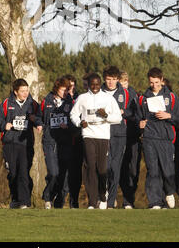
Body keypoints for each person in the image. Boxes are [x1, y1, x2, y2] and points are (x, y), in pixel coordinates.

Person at [70, 72, 121, 209]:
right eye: (92, 84)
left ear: (100, 84)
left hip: (103, 135)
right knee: (90, 166)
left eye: (97, 84)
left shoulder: (108, 98)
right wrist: (80, 123)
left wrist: (106, 116)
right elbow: (73, 114)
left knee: (101, 167)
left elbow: (118, 118)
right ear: (89, 85)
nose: (95, 87)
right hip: (88, 134)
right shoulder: (82, 98)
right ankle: (92, 201)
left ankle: (102, 196)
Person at [136, 67, 179, 209]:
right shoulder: (143, 98)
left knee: (167, 170)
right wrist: (140, 123)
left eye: (156, 82)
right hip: (149, 138)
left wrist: (169, 116)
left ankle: (168, 192)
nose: (154, 85)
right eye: (151, 82)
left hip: (166, 138)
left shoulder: (172, 97)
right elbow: (138, 117)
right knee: (152, 170)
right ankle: (155, 202)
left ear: (162, 80)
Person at [0, 78, 42, 209]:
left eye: (27, 90)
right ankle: (15, 199)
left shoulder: (33, 104)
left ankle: (25, 202)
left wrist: (37, 123)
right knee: (13, 173)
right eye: (22, 91)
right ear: (15, 92)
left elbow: (40, 117)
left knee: (24, 172)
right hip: (10, 143)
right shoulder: (6, 103)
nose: (26, 93)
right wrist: (5, 125)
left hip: (26, 143)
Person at [36, 76, 76, 209]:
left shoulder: (70, 103)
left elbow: (76, 121)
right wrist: (39, 124)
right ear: (56, 88)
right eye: (63, 90)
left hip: (66, 142)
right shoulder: (46, 101)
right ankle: (47, 197)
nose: (65, 93)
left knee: (65, 177)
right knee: (53, 172)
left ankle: (59, 202)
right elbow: (38, 116)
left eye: (67, 90)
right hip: (50, 141)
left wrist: (68, 125)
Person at [101, 66, 135, 209]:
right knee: (105, 167)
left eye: (113, 79)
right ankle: (103, 193)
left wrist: (124, 112)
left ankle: (111, 202)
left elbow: (134, 113)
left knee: (116, 168)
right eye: (108, 79)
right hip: (102, 133)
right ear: (105, 79)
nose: (111, 82)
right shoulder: (99, 93)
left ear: (117, 79)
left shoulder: (125, 93)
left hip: (120, 134)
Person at [163, 78, 179, 207]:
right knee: (162, 169)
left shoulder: (174, 101)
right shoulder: (149, 100)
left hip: (175, 140)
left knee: (176, 169)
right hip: (160, 141)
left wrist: (170, 118)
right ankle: (166, 197)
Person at [119, 71, 142, 209]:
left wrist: (125, 112)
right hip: (118, 136)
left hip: (133, 136)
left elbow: (137, 114)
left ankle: (130, 197)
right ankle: (125, 199)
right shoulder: (114, 96)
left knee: (133, 169)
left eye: (125, 82)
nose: (123, 85)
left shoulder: (135, 96)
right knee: (120, 168)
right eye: (120, 83)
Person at [63, 74, 83, 208]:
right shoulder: (60, 100)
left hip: (79, 140)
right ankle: (60, 200)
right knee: (64, 172)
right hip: (64, 141)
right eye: (68, 86)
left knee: (77, 172)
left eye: (72, 85)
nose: (71, 88)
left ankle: (74, 200)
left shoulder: (80, 98)